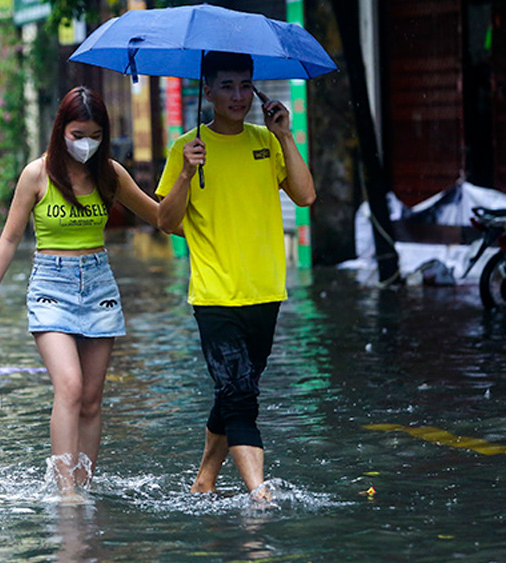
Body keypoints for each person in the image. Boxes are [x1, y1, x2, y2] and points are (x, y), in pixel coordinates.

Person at [0, 86, 160, 499]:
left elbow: (159, 215)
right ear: (61, 130)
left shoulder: (110, 174)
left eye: (95, 135)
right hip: (51, 287)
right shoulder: (36, 174)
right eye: (78, 135)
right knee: (71, 387)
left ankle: (84, 484)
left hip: (99, 285)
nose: (86, 144)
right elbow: (8, 239)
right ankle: (66, 494)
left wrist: (187, 179)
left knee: (93, 398)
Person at [155, 51, 317, 500]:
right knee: (241, 395)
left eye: (245, 85)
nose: (238, 96)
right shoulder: (185, 148)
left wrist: (285, 135)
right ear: (206, 90)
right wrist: (187, 172)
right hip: (215, 296)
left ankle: (204, 481)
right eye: (226, 86)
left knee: (234, 392)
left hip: (265, 291)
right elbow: (166, 223)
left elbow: (305, 196)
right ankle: (258, 495)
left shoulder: (265, 141)